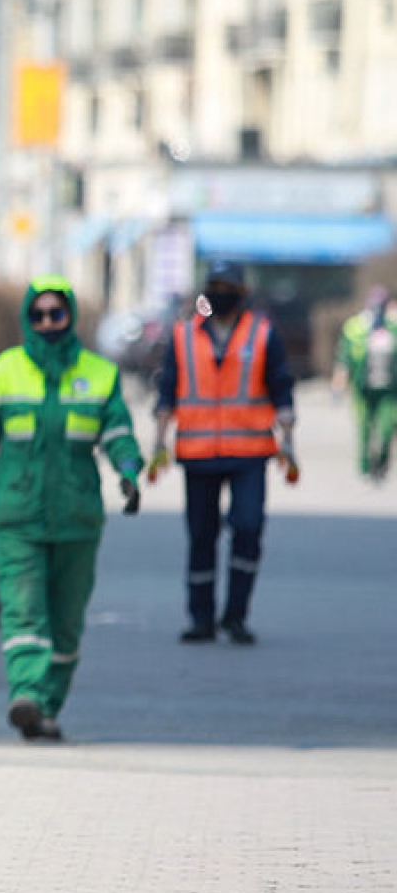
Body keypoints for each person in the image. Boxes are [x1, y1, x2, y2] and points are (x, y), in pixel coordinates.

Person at [0, 275, 143, 742]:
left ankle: (49, 707)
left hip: (76, 516)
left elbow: (118, 431)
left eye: (57, 314)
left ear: (70, 317)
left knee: (66, 618)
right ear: (26, 318)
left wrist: (130, 471)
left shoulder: (100, 374)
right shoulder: (4, 371)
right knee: (22, 610)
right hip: (15, 514)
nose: (48, 322)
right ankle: (27, 694)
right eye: (38, 314)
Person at [148, 260, 296, 645]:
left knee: (247, 528)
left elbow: (281, 386)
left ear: (242, 293)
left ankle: (236, 616)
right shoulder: (183, 336)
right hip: (198, 452)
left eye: (227, 286)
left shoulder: (262, 335)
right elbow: (167, 390)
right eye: (213, 286)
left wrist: (289, 439)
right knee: (201, 536)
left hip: (249, 451)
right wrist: (158, 443)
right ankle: (201, 619)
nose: (220, 293)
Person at [331, 286, 397, 482]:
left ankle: (382, 462)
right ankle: (365, 467)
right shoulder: (355, 327)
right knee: (364, 428)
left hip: (389, 390)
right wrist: (338, 385)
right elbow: (343, 359)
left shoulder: (393, 327)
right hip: (363, 388)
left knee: (387, 427)